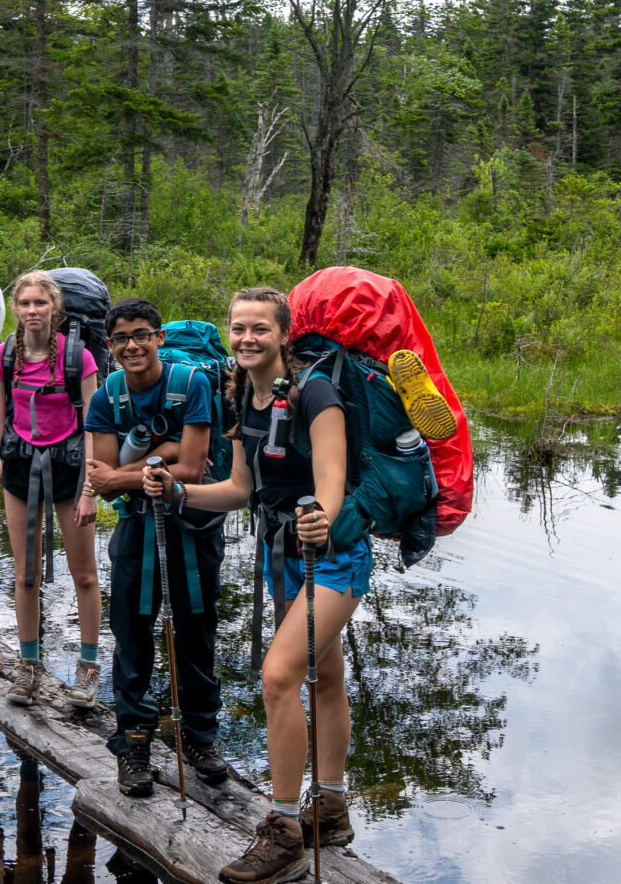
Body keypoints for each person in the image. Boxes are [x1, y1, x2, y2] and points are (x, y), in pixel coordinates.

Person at [144, 287, 360, 882]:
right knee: (328, 676)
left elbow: (332, 475)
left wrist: (323, 514)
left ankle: (284, 830)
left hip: (332, 554)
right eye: (238, 328)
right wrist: (181, 492)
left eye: (259, 329)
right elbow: (240, 488)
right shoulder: (242, 394)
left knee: (277, 678)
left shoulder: (317, 392)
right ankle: (333, 810)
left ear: (284, 334)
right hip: (281, 550)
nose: (246, 339)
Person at [84, 298, 230, 798]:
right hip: (135, 527)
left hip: (192, 523)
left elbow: (191, 469)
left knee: (196, 628)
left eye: (142, 334)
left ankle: (199, 738)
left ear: (160, 337)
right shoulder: (106, 396)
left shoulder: (192, 383)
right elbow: (101, 483)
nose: (133, 345)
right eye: (122, 338)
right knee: (132, 634)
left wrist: (137, 471)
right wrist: (156, 460)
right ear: (110, 347)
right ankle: (135, 742)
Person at [0, 269, 103, 707]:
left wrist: (91, 485)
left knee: (83, 572)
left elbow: (93, 422)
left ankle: (87, 670)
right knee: (25, 573)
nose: (33, 311)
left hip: (69, 470)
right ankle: (28, 665)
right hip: (19, 469)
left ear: (55, 308)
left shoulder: (78, 357)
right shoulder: (2, 356)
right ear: (16, 308)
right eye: (26, 303)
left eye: (41, 303)